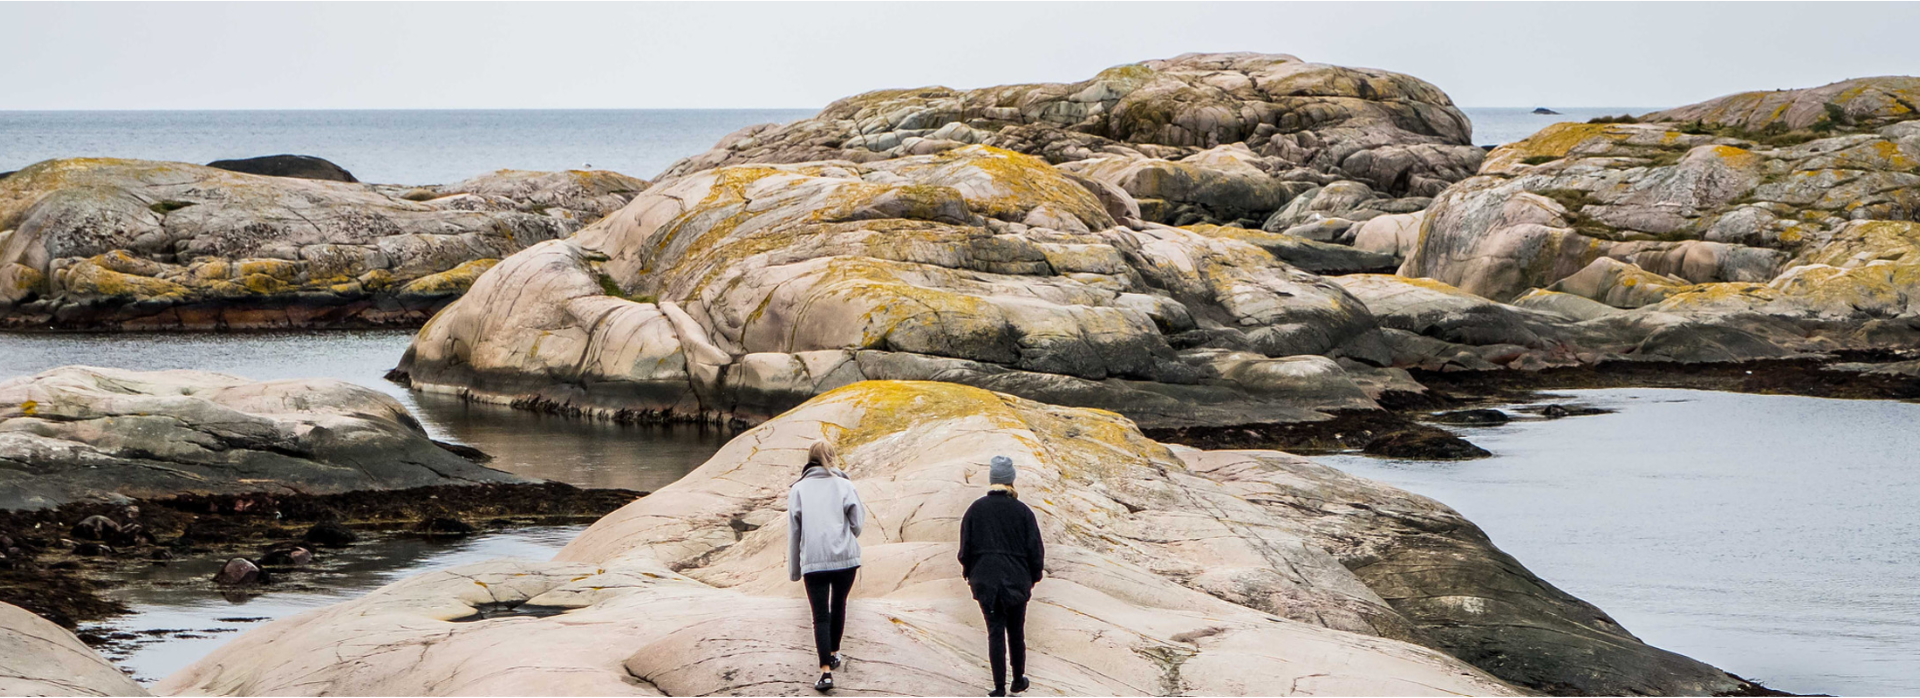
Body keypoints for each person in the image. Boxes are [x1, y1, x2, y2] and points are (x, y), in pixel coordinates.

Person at [958, 455, 1045, 698]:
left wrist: (970, 573)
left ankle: (998, 688)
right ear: (1011, 480)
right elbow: (1035, 551)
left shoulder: (975, 510)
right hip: (1017, 580)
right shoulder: (1023, 511)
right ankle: (1018, 680)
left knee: (995, 631)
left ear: (992, 480)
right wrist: (1033, 577)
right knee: (1016, 631)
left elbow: (965, 549)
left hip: (985, 579)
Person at [787, 440, 865, 693]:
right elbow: (857, 524)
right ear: (832, 457)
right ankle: (834, 652)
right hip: (845, 558)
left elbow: (794, 532)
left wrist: (795, 570)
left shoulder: (798, 489)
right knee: (839, 604)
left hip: (814, 560)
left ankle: (825, 673)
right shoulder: (845, 485)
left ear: (809, 459)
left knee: (820, 615)